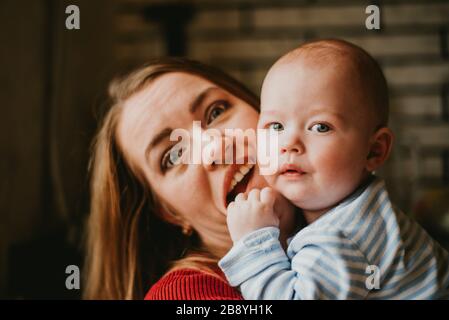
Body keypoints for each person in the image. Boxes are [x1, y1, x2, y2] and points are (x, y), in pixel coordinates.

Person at [219, 39, 449, 299]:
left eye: (321, 127)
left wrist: (254, 241)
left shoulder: (343, 237)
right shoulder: (356, 209)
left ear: (374, 150)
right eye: (276, 126)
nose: (289, 144)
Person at [83, 58, 301, 300]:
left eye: (216, 112)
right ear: (168, 212)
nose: (215, 148)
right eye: (174, 155)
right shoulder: (182, 296)